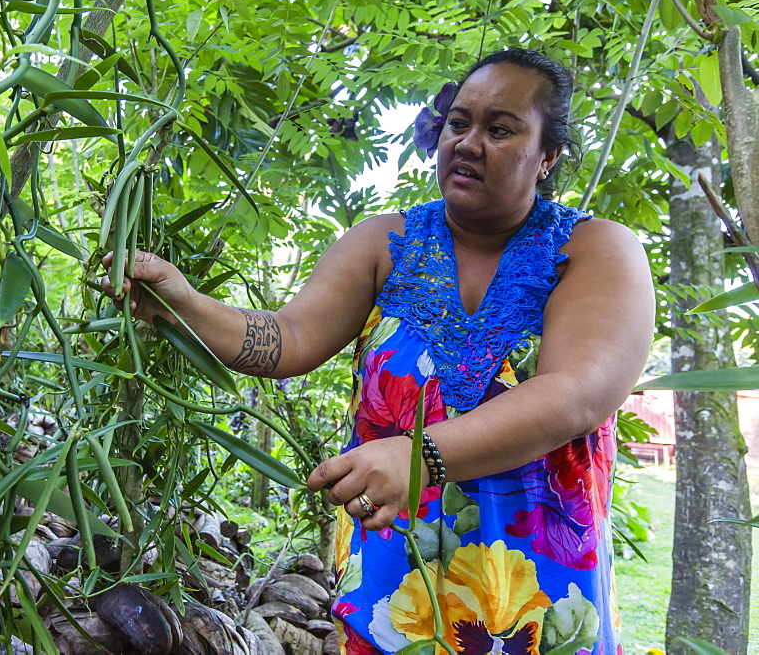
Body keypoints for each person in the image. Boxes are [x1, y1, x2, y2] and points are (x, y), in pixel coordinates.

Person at [101, 48, 654, 654]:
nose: (468, 142)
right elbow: (286, 340)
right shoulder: (383, 243)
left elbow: (575, 396)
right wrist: (183, 304)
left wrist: (421, 459)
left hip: (539, 596)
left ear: (547, 156)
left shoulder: (596, 250)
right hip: (395, 588)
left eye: (500, 129)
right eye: (458, 123)